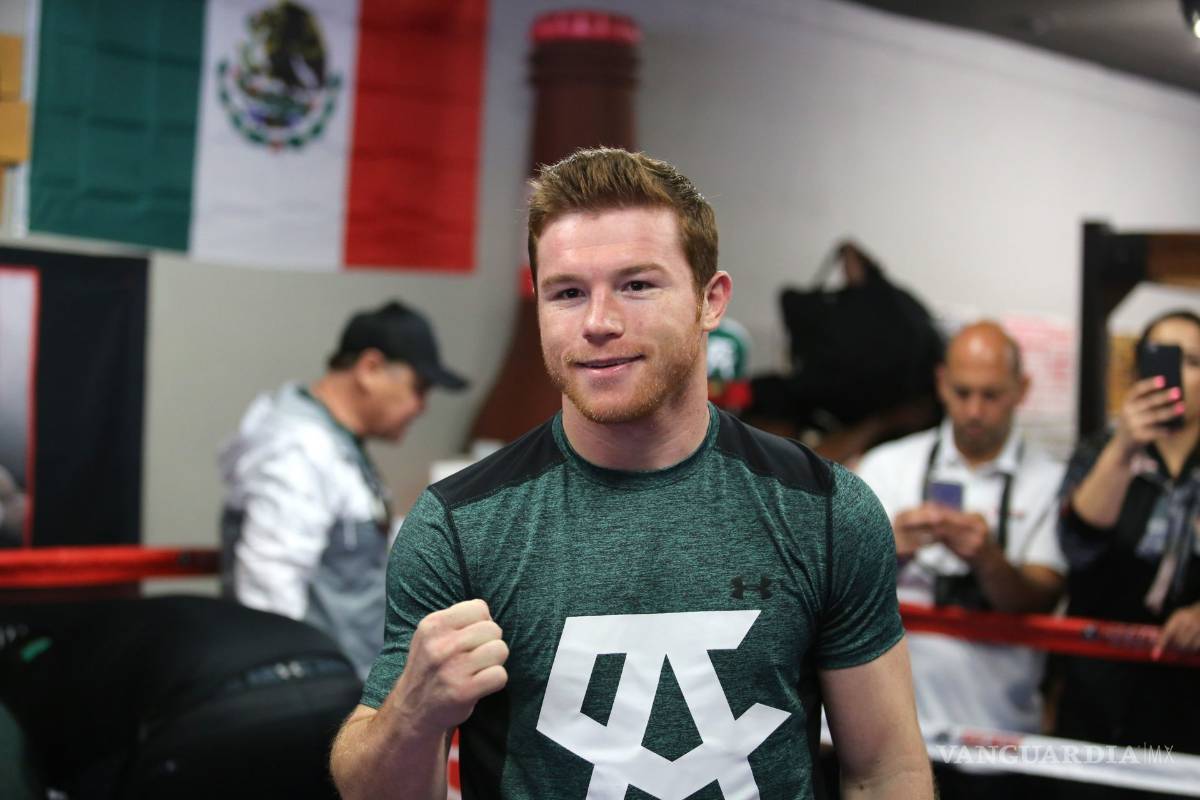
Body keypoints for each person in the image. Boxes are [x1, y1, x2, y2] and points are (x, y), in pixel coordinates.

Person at [330, 148, 932, 799]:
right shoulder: (459, 526)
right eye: (567, 293)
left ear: (711, 300)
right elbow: (370, 790)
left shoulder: (823, 510)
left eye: (637, 285)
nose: (598, 323)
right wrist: (411, 714)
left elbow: (884, 772)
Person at [855, 321, 1066, 798]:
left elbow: (1042, 596)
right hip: (890, 738)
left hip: (1001, 740)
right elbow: (833, 591)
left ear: (1021, 390)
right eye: (963, 392)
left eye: (991, 395)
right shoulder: (888, 466)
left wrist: (988, 559)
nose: (974, 410)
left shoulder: (1052, 480)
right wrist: (889, 547)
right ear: (941, 383)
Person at [219, 300, 467, 679]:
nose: (422, 407)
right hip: (313, 698)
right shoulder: (299, 447)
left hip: (344, 688)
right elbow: (270, 586)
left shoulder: (334, 442)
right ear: (370, 369)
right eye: (419, 387)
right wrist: (290, 693)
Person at [1054, 310, 1200, 785]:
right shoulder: (1102, 450)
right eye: (1165, 361)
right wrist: (1124, 447)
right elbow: (1078, 545)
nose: (1178, 376)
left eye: (1194, 362)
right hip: (1099, 688)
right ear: (1140, 375)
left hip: (1190, 699)